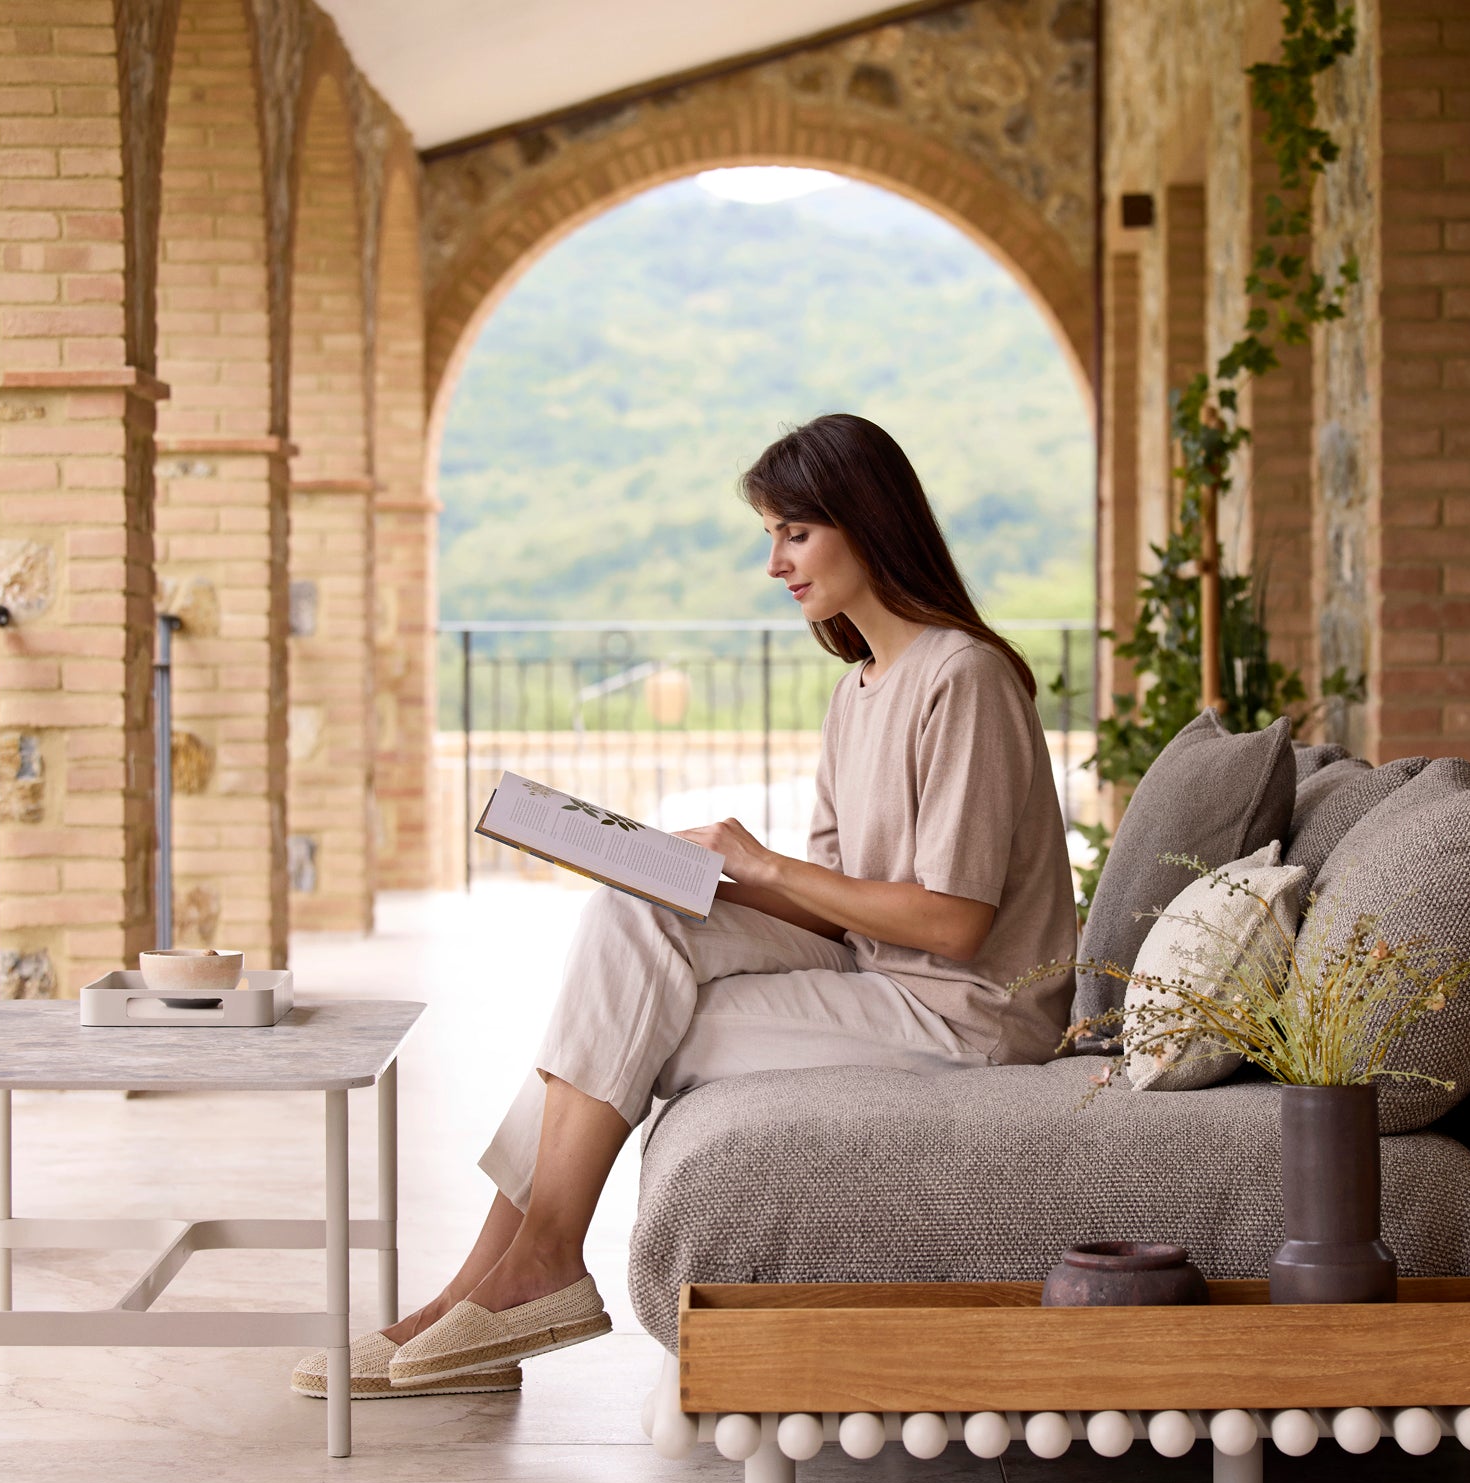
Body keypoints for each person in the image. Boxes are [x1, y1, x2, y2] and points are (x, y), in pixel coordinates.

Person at [291, 412, 1078, 1401]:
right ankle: (487, 1291)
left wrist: (766, 861)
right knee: (630, 924)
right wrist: (687, 873)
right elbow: (837, 918)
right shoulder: (861, 691)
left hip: (970, 1014)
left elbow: (954, 923)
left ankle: (513, 1277)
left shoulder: (962, 678)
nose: (775, 562)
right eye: (771, 536)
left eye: (795, 532)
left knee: (625, 1023)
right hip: (880, 979)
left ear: (865, 522)